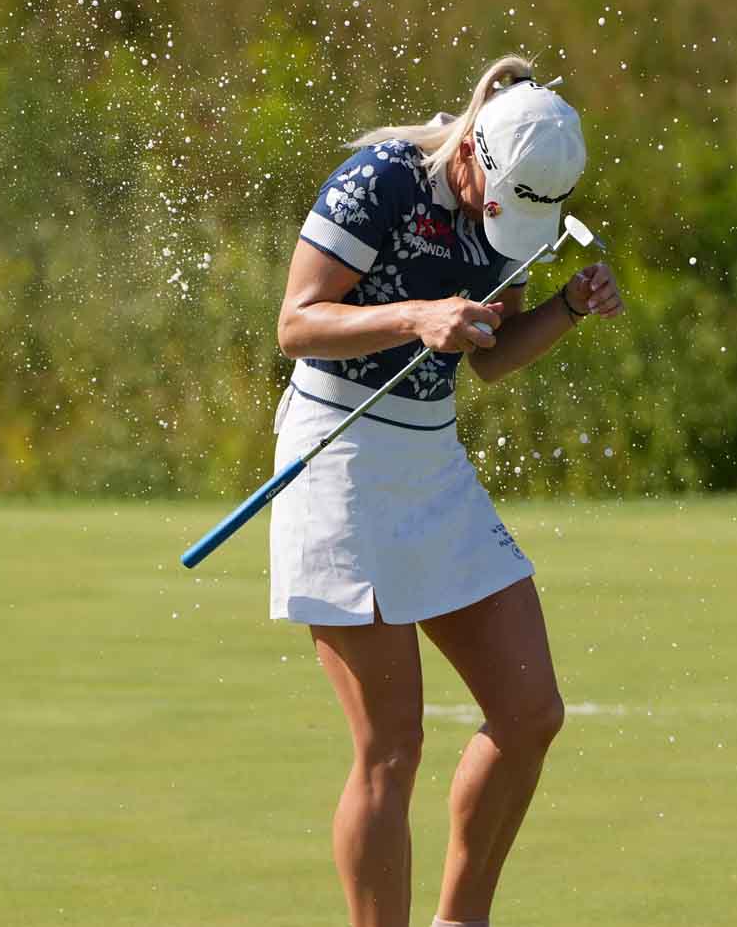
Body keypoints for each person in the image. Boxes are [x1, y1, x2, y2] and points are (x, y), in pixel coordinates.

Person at [270, 54, 624, 927]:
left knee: (530, 710)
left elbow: (492, 360)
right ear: (473, 153)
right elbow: (297, 325)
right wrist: (413, 316)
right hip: (338, 451)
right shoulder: (381, 180)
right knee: (392, 748)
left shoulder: (518, 212)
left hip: (432, 461)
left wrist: (567, 310)